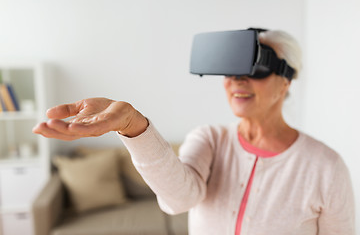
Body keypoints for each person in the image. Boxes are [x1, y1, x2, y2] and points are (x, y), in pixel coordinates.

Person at [33, 29, 355, 235]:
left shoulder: (325, 167)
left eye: (255, 67)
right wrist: (133, 125)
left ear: (286, 79)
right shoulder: (210, 138)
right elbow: (179, 199)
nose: (237, 80)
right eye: (231, 69)